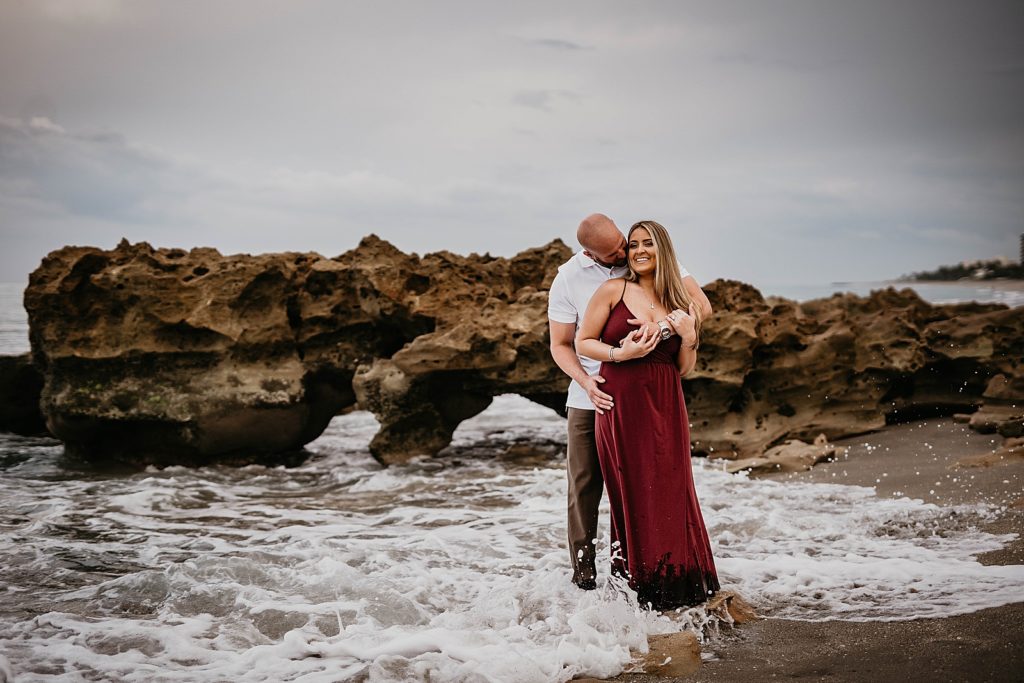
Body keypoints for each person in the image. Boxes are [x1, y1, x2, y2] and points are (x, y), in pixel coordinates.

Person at [547, 214, 712, 590]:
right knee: (584, 488)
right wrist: (587, 380)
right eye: (615, 251)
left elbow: (700, 306)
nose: (624, 252)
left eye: (625, 242)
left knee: (651, 484)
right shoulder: (569, 278)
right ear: (589, 254)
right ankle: (584, 579)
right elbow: (562, 343)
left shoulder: (642, 255)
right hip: (590, 394)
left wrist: (667, 328)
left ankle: (653, 575)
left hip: (647, 395)